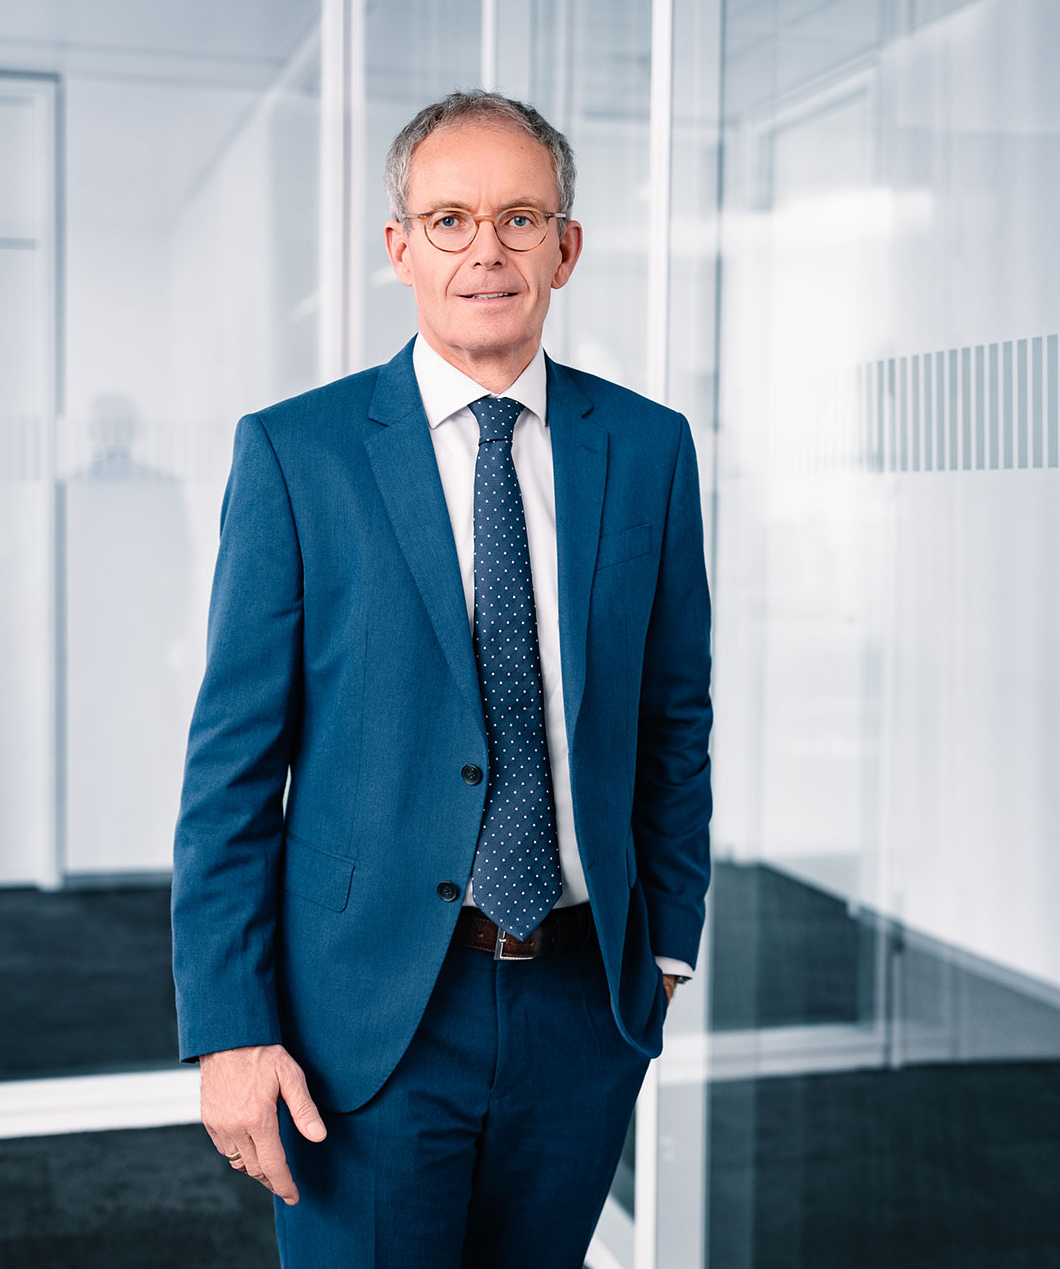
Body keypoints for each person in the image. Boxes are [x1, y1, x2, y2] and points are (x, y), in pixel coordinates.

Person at [171, 89, 712, 1267]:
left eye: (521, 218)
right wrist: (230, 1027)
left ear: (567, 247)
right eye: (451, 219)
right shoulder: (298, 453)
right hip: (365, 1016)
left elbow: (674, 717)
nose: (487, 251)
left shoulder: (649, 448)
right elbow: (231, 771)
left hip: (582, 1001)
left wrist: (667, 949)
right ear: (400, 247)